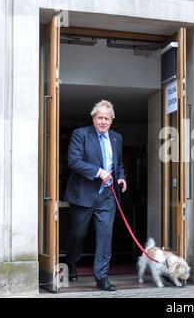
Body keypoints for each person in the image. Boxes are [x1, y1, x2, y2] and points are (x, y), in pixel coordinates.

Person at [64, 100, 127, 291]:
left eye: (107, 118)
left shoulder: (117, 138)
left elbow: (119, 164)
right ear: (93, 118)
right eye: (100, 118)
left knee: (105, 236)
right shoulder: (80, 134)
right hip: (83, 194)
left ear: (112, 120)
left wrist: (121, 178)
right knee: (79, 233)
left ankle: (101, 278)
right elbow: (73, 161)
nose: (103, 122)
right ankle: (71, 263)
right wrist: (98, 172)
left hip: (107, 195)